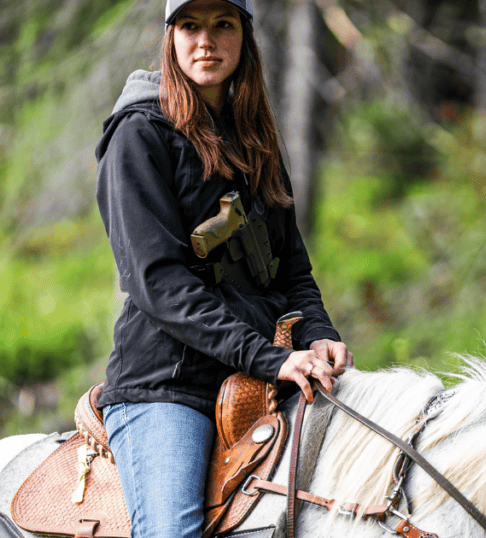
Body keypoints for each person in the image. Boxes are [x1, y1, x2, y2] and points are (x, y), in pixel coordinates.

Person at [94, 0, 352, 536]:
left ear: (245, 36)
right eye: (189, 25)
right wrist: (269, 357)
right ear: (170, 37)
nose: (205, 41)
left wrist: (320, 332)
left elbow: (292, 271)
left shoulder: (254, 138)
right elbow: (158, 284)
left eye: (222, 24)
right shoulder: (139, 135)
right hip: (169, 385)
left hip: (259, 375)